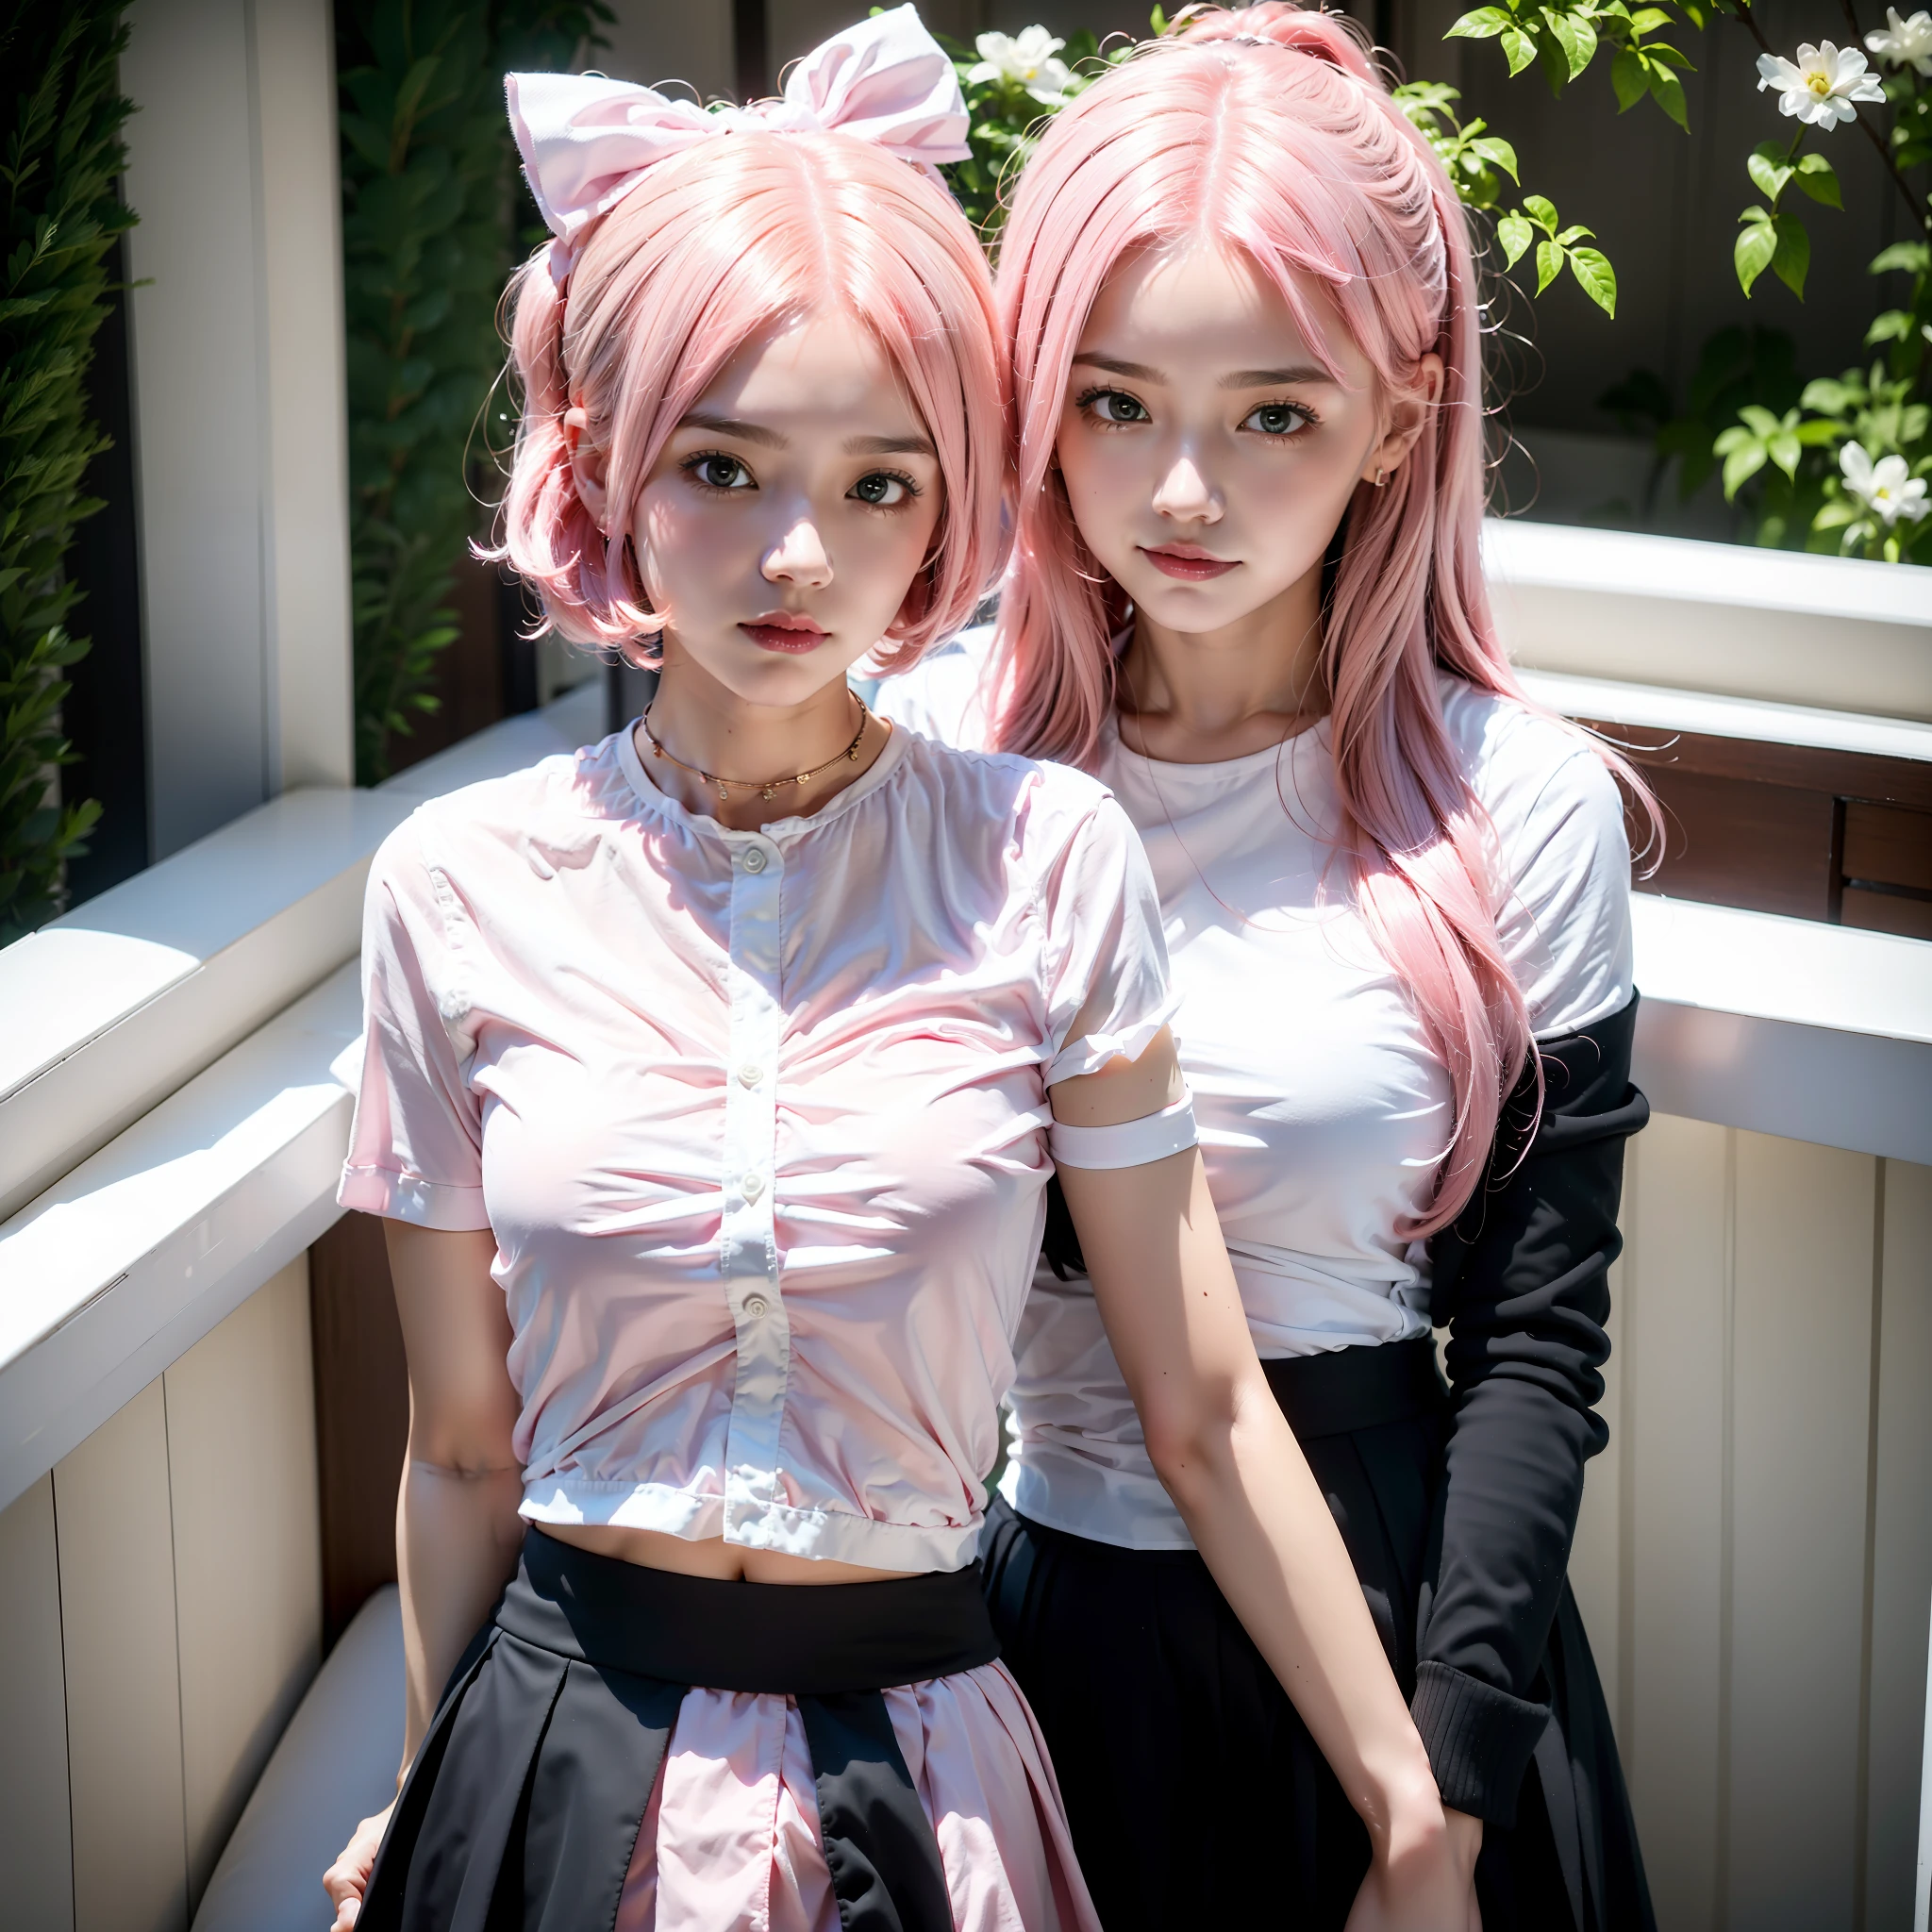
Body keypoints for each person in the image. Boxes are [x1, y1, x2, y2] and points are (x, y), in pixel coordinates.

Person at [319, 12, 1467, 1930]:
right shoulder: (455, 882)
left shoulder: (1043, 860)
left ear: (952, 496)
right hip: (555, 1746)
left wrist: (1408, 1801)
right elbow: (458, 1445)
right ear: (598, 467)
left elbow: (1198, 1402)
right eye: (721, 464)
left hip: (926, 1771)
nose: (801, 552)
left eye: (880, 481)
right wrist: (419, 1777)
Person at [874, 8, 1659, 1929]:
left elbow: (1533, 1351)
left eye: (1274, 414)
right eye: (1114, 401)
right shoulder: (931, 762)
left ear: (1400, 414)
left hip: (1392, 1651)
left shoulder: (1517, 804)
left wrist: (1447, 1802)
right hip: (1024, 1627)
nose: (1182, 492)